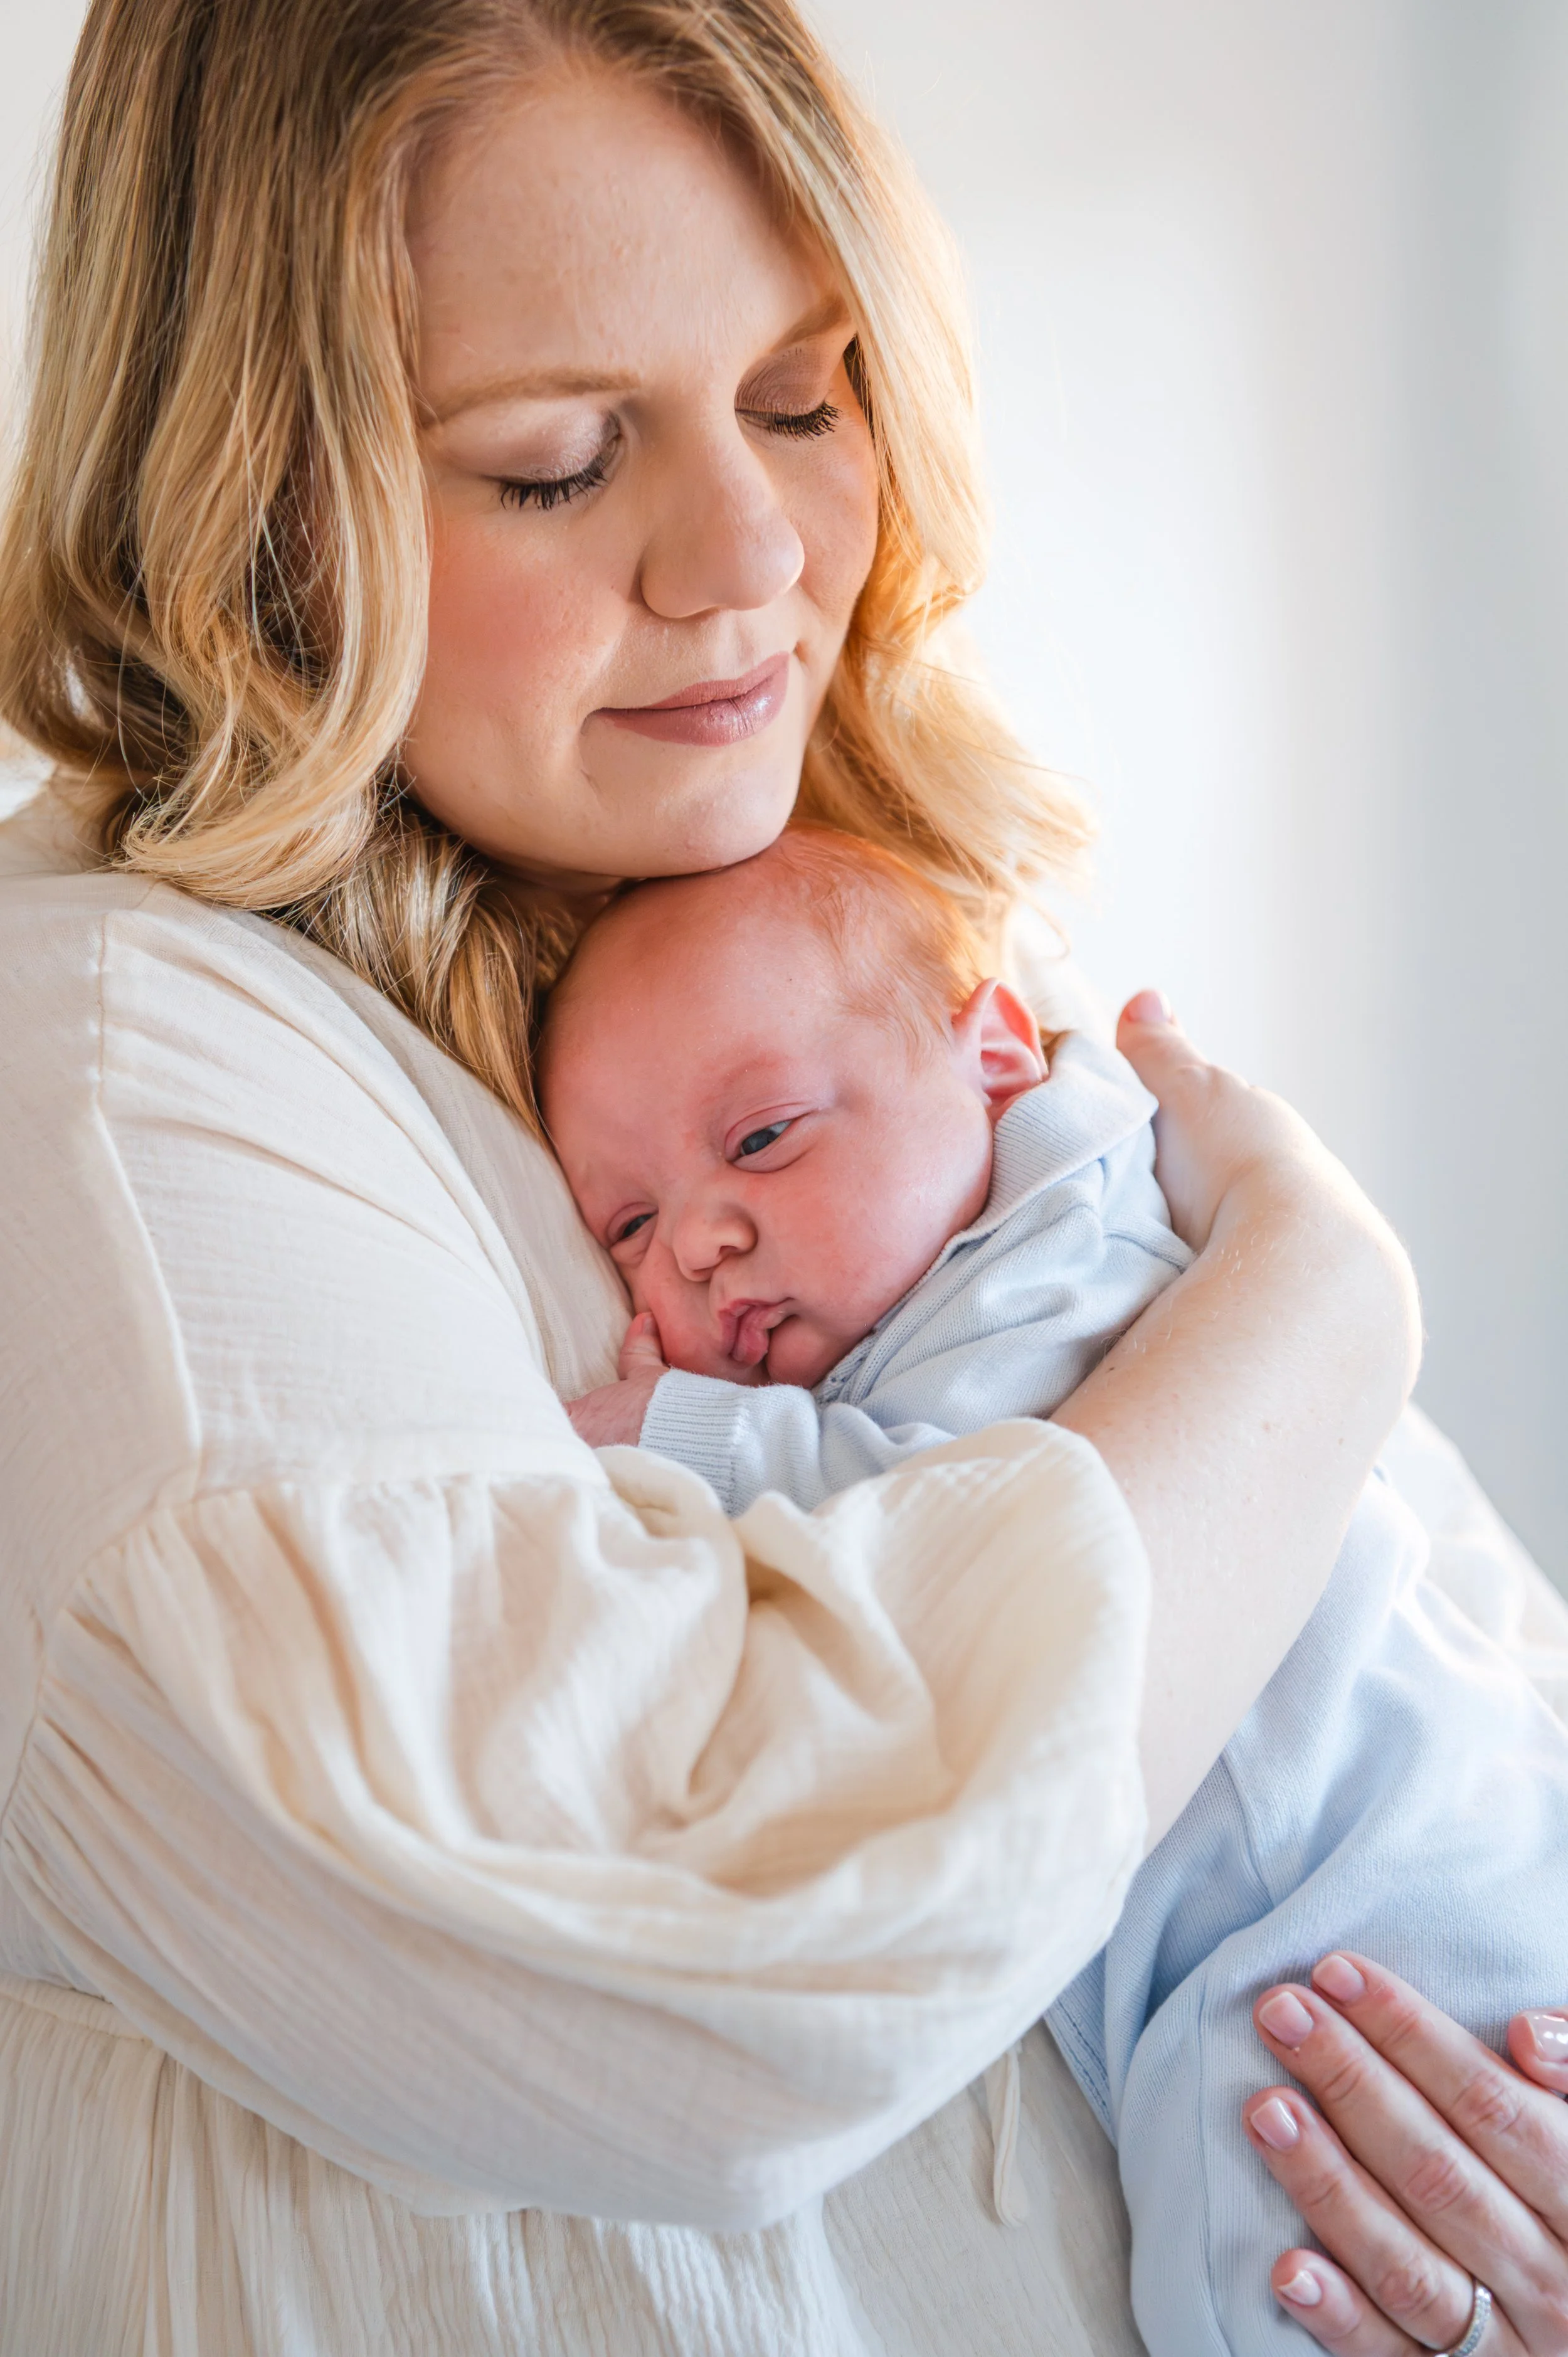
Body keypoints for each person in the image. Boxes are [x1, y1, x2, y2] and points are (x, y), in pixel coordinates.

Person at [0, 3, 1563, 2351]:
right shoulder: (123, 1085)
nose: (753, 556)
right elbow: (736, 1960)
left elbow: (1437, 1659)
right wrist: (1320, 1307)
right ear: (254, 506)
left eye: (808, 398)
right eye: (552, 462)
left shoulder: (843, 981)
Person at [537, 827, 1568, 2356]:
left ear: (997, 1059)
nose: (695, 1238)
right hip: (1328, 1910)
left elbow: (986, 1516)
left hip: (1364, 1903)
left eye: (758, 1140)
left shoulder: (1058, 1258)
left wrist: (689, 1435)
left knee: (1269, 2257)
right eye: (627, 1224)